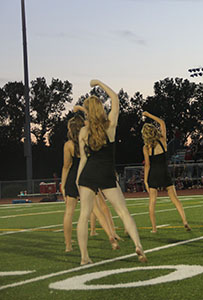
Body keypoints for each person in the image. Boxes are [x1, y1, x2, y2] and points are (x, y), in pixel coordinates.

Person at [76, 79, 146, 265]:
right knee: (123, 212)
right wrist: (99, 83)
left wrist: (77, 180)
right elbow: (115, 99)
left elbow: (83, 159)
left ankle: (84, 257)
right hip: (107, 174)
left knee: (84, 216)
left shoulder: (83, 131)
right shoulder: (110, 126)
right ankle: (138, 245)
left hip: (88, 174)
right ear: (100, 109)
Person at [61, 115, 119, 252]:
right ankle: (111, 236)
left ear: (70, 129)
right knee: (97, 210)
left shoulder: (68, 145)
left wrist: (63, 184)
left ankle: (68, 245)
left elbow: (66, 166)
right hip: (87, 175)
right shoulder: (87, 139)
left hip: (73, 176)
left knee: (69, 212)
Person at [142, 111, 190, 233]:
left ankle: (154, 228)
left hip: (153, 174)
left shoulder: (146, 147)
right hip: (164, 172)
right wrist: (149, 115)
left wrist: (146, 180)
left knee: (152, 201)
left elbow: (147, 165)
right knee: (175, 199)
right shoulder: (162, 140)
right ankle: (184, 221)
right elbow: (162, 123)